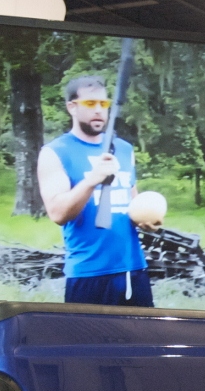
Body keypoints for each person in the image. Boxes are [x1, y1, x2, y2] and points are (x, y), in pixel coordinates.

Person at [38, 75, 156, 307]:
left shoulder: (123, 149)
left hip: (133, 270)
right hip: (88, 275)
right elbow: (58, 213)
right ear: (72, 107)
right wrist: (92, 180)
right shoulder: (55, 152)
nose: (99, 110)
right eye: (90, 104)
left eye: (103, 104)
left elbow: (133, 204)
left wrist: (146, 219)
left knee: (143, 342)